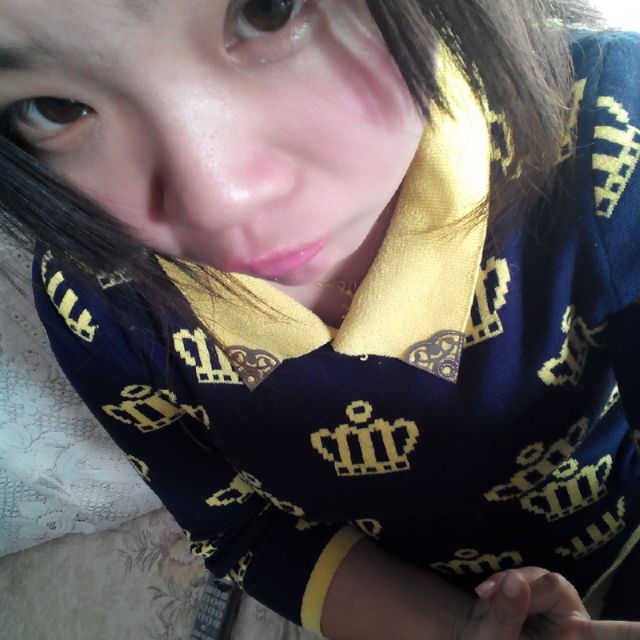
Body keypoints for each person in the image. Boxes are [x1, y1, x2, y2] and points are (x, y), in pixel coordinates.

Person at [0, 0, 639, 637]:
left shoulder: (610, 133)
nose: (218, 202)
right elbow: (242, 526)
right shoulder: (98, 299)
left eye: (268, 11)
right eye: (56, 108)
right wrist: (461, 627)